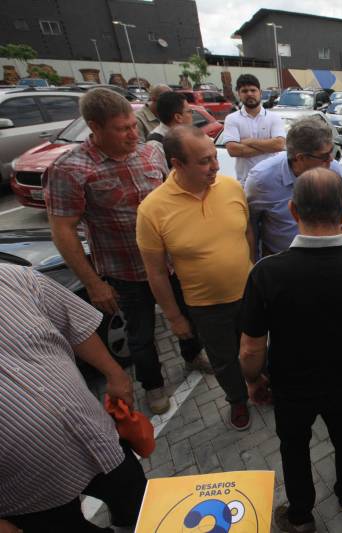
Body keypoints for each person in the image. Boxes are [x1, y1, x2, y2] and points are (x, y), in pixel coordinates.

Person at [44, 88, 210, 416]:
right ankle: (153, 385)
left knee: (186, 315)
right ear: (95, 127)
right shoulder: (70, 169)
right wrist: (93, 283)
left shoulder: (151, 152)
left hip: (170, 263)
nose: (133, 133)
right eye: (122, 129)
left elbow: (173, 198)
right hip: (126, 271)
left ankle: (192, 356)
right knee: (141, 334)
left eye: (134, 125)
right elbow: (63, 231)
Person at [239, 168, 342, 533]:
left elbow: (250, 348)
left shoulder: (266, 273)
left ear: (292, 210)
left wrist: (254, 380)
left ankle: (301, 514)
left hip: (290, 387)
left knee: (294, 448)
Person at [0, 264, 145, 533]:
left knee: (140, 506)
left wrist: (115, 374)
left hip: (97, 442)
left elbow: (73, 323)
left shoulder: (13, 278)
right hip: (26, 495)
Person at [136, 126, 255, 431]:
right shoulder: (152, 210)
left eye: (215, 157)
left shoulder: (231, 187)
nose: (215, 166)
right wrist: (175, 317)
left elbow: (247, 232)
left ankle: (259, 384)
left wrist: (252, 267)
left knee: (257, 348)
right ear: (177, 164)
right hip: (206, 306)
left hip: (250, 293)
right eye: (204, 161)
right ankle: (237, 400)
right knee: (225, 360)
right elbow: (156, 271)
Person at [246, 116, 342, 257]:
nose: (331, 159)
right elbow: (251, 224)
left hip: (324, 260)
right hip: (278, 262)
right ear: (300, 158)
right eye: (324, 156)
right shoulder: (261, 180)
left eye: (331, 152)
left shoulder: (333, 170)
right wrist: (255, 263)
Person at [222, 74, 286, 184]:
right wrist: (269, 147)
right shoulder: (231, 119)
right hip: (245, 182)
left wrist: (250, 141)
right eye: (245, 91)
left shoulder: (274, 118)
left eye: (253, 90)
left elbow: (279, 145)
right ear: (239, 94)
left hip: (272, 180)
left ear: (260, 92)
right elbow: (233, 150)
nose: (249, 94)